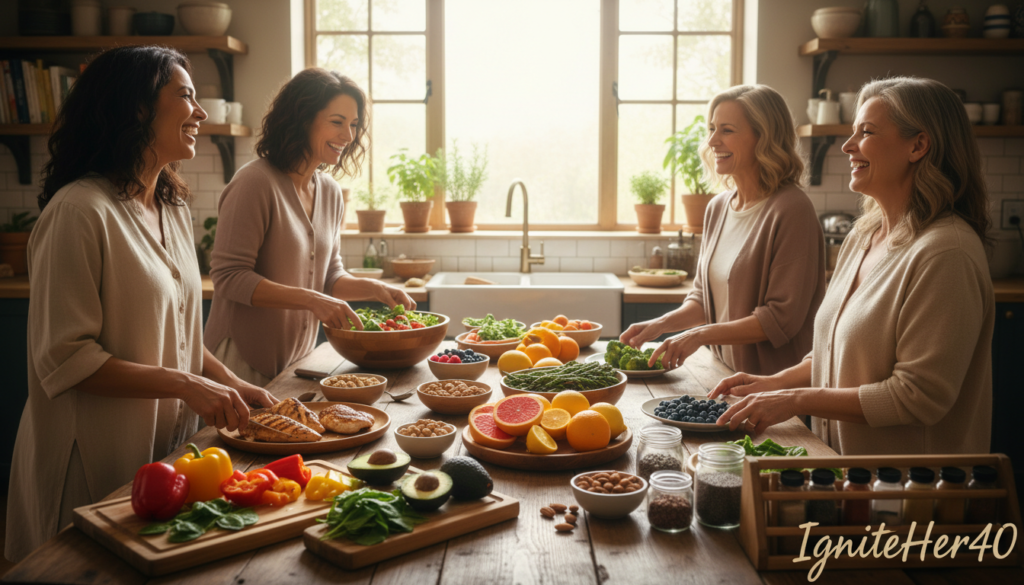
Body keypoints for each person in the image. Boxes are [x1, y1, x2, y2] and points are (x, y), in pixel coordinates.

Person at [6, 46, 277, 563]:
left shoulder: (170, 208)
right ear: (135, 109)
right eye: (186, 97)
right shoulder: (79, 213)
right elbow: (66, 361)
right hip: (87, 460)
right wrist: (186, 384)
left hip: (160, 452)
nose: (200, 113)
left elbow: (179, 336)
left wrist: (234, 384)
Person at [712, 77, 994, 456]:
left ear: (919, 145)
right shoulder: (865, 234)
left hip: (908, 494)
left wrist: (796, 400)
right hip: (845, 477)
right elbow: (832, 352)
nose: (848, 145)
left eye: (867, 132)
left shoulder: (946, 253)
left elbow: (917, 396)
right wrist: (773, 383)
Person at [203, 68, 415, 386]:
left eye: (354, 124)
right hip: (240, 361)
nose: (348, 136)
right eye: (337, 122)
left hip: (296, 362)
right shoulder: (254, 182)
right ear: (302, 119)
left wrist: (374, 289)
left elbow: (329, 276)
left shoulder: (329, 192)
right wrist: (312, 299)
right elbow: (229, 278)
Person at [620, 85, 825, 375]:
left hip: (770, 388)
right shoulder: (718, 207)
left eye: (727, 130)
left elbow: (781, 319)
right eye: (712, 129)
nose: (712, 141)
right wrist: (659, 326)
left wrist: (699, 335)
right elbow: (704, 299)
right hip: (724, 374)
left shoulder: (792, 210)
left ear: (763, 138)